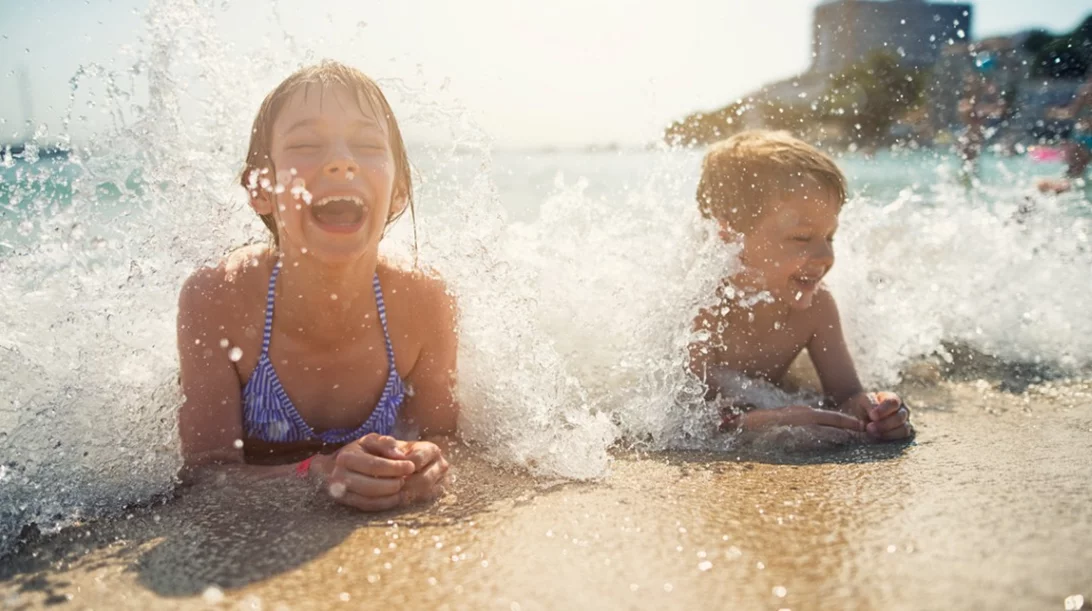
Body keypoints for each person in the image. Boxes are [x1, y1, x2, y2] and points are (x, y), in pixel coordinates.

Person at [177, 61, 459, 512]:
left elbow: (443, 435)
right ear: (260, 187)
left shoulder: (423, 301)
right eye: (307, 143)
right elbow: (206, 475)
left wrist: (429, 464)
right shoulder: (219, 298)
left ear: (399, 190)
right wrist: (317, 473)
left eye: (367, 144)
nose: (341, 160)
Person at [688, 130, 913, 441]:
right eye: (802, 237)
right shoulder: (699, 307)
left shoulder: (816, 308)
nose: (826, 256)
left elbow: (846, 395)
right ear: (729, 236)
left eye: (829, 237)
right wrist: (769, 421)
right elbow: (681, 420)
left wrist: (876, 411)